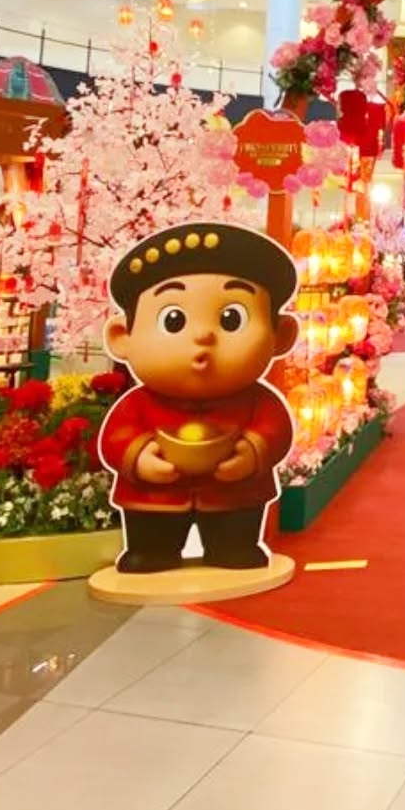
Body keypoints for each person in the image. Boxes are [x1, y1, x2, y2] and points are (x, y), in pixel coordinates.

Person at [99, 222, 298, 575]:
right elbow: (118, 436)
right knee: (150, 542)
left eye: (231, 319)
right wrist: (139, 457)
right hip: (153, 499)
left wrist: (252, 451)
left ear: (281, 336)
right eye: (173, 321)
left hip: (235, 495)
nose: (203, 336)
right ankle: (151, 550)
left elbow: (274, 429)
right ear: (121, 337)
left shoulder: (257, 401)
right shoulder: (139, 404)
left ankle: (234, 545)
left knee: (236, 542)